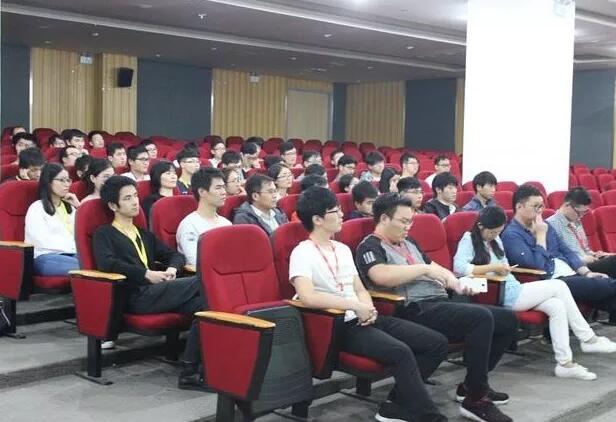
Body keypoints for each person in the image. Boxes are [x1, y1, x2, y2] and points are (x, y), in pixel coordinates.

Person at [290, 187, 449, 422]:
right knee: (401, 352)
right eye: (335, 211)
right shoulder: (302, 252)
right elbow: (307, 296)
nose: (342, 214)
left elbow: (359, 289)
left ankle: (396, 405)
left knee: (436, 343)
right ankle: (429, 416)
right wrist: (354, 306)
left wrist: (367, 307)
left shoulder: (342, 249)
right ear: (318, 219)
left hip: (363, 317)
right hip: (336, 325)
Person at [356, 193, 516, 422]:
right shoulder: (370, 246)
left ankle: (471, 385)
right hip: (412, 308)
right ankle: (476, 399)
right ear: (383, 219)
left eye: (411, 221)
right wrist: (423, 269)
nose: (408, 227)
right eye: (404, 221)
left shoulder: (409, 243)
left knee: (507, 320)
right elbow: (380, 275)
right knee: (480, 318)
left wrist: (455, 283)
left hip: (439, 302)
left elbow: (436, 268)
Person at [455, 206, 616, 381]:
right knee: (559, 286)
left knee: (557, 306)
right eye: (492, 232)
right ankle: (588, 339)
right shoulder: (468, 239)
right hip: (500, 293)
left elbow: (503, 263)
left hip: (514, 287)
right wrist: (493, 267)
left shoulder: (496, 240)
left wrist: (504, 268)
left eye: (498, 232)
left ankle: (565, 364)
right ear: (480, 226)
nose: (495, 236)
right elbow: (460, 268)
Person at [94, 175, 207, 391]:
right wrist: (145, 274)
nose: (135, 202)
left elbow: (174, 255)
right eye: (127, 198)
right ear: (113, 205)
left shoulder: (143, 234)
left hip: (157, 291)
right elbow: (107, 264)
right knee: (206, 282)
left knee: (205, 308)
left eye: (136, 196)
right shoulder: (105, 233)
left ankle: (191, 372)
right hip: (134, 296)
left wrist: (172, 269)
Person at [502, 185, 616, 324]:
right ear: (519, 207)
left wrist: (587, 272)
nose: (540, 210)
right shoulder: (512, 235)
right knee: (605, 285)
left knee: (609, 298)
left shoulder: (546, 226)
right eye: (536, 206)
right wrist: (541, 236)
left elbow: (567, 251)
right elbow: (538, 267)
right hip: (553, 280)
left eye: (542, 206)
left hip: (571, 272)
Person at [25, 163, 80, 276]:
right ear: (48, 182)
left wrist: (79, 207)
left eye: (68, 180)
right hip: (46, 257)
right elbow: (40, 241)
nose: (67, 184)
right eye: (61, 180)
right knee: (85, 266)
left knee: (98, 262)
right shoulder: (37, 208)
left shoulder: (70, 207)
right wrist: (71, 248)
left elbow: (84, 234)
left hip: (72, 254)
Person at [548, 187, 616, 279]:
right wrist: (582, 259)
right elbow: (556, 257)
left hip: (589, 262)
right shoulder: (551, 225)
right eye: (579, 213)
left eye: (584, 213)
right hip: (575, 267)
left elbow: (585, 248)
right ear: (567, 205)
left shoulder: (576, 221)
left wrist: (595, 254)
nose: (581, 217)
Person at [176, 168, 232, 266]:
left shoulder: (226, 223)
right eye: (218, 188)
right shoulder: (189, 225)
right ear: (202, 192)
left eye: (224, 187)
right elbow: (195, 262)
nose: (224, 192)